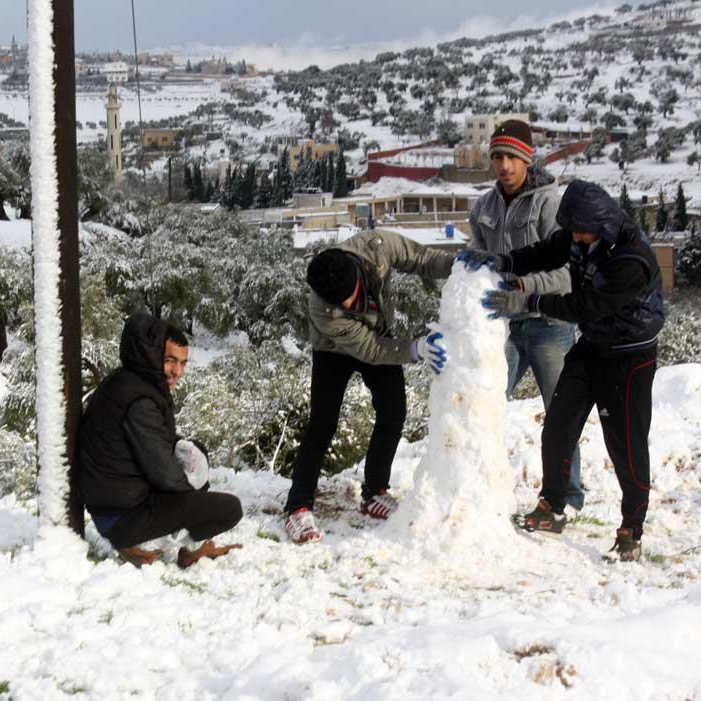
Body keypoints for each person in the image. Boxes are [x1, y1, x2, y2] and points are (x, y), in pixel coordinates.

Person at [481, 179, 664, 561]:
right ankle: (552, 507)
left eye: (582, 232)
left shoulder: (632, 260)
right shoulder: (581, 235)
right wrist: (506, 262)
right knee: (559, 425)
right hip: (593, 346)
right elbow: (547, 251)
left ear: (602, 225)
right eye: (574, 231)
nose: (576, 238)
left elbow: (586, 306)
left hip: (629, 355)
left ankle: (632, 528)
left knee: (626, 443)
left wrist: (526, 300)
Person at [283, 230, 452, 545]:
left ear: (358, 272)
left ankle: (374, 492)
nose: (349, 303)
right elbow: (370, 349)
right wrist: (415, 348)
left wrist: (460, 266)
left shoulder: (377, 247)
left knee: (393, 412)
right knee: (322, 423)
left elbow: (423, 259)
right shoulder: (322, 307)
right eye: (340, 302)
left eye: (350, 294)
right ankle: (298, 505)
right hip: (334, 349)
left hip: (379, 332)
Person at [465, 119, 584, 512]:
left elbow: (570, 274)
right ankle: (479, 488)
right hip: (503, 326)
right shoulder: (482, 207)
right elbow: (482, 267)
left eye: (512, 157)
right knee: (485, 403)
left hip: (550, 323)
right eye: (497, 156)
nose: (504, 166)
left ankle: (566, 495)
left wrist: (524, 293)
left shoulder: (552, 205)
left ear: (527, 158)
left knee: (560, 413)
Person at [80, 313, 244, 568]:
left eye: (183, 363)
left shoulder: (129, 383)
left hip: (115, 508)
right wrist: (195, 489)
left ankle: (193, 545)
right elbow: (165, 474)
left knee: (192, 453)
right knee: (229, 509)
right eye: (170, 361)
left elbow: (160, 444)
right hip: (123, 517)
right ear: (152, 356)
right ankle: (147, 544)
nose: (177, 371)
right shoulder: (140, 401)